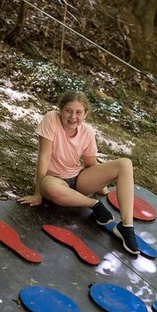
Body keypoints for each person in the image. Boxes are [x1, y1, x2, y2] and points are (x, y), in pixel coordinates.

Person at [18, 91, 140, 254]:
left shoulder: (87, 132)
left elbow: (90, 163)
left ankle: (127, 227)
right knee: (50, 187)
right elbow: (44, 157)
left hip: (78, 179)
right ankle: (93, 204)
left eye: (78, 112)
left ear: (85, 114)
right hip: (55, 180)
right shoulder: (51, 119)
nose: (73, 117)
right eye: (68, 111)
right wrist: (38, 194)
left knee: (125, 164)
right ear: (61, 109)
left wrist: (101, 184)